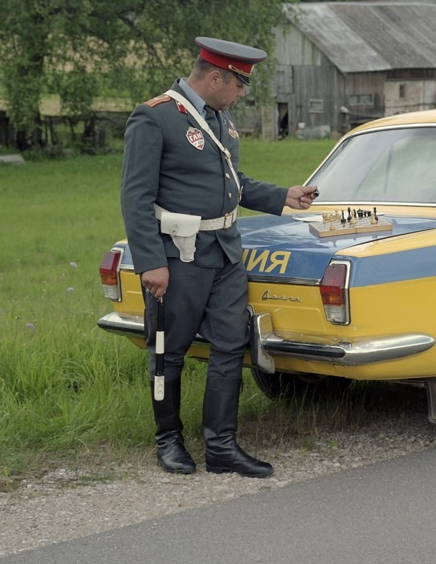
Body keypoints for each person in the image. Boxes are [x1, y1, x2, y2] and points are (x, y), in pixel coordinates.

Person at [120, 36, 318, 477]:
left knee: (231, 347)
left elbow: (234, 182)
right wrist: (150, 261)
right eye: (239, 85)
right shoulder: (156, 118)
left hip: (226, 252)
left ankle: (222, 447)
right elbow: (135, 197)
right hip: (179, 257)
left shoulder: (221, 121)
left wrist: (283, 196)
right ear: (215, 78)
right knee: (169, 351)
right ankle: (168, 441)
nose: (243, 93)